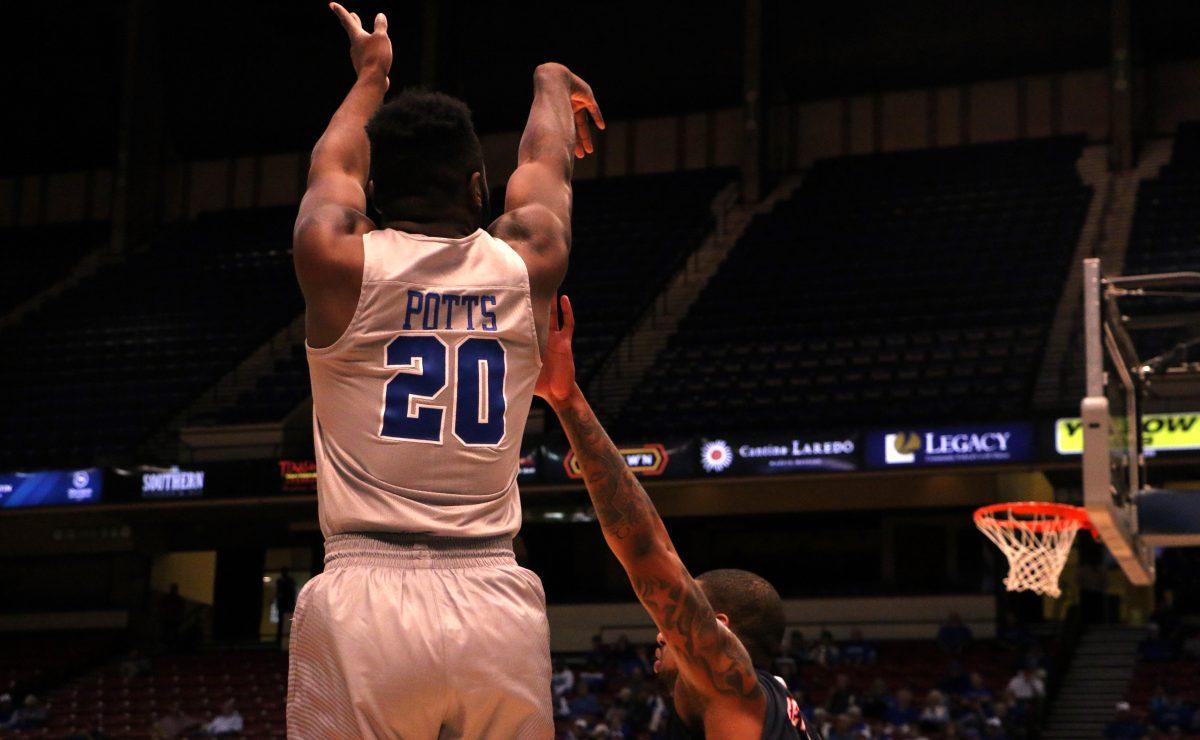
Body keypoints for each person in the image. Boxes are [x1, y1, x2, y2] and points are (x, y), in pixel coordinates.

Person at [286, 2, 602, 737]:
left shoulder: (336, 259)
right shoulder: (531, 258)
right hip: (493, 591)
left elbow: (330, 165)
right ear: (475, 187)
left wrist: (372, 76)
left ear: (376, 195)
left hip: (365, 596)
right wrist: (553, 85)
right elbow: (546, 164)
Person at [534, 295, 806, 738]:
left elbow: (648, 550)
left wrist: (567, 400)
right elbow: (663, 544)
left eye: (671, 624)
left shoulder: (732, 688)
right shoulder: (769, 698)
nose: (662, 633)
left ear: (718, 629)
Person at [274, 567, 297, 648]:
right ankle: (279, 643)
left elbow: (292, 593)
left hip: (288, 606)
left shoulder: (290, 581)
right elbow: (278, 593)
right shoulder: (280, 581)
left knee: (288, 625)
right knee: (281, 624)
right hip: (283, 606)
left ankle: (286, 643)